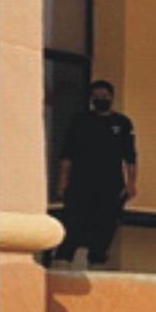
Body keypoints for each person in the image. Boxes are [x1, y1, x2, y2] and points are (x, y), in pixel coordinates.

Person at [53, 79, 137, 267]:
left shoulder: (122, 123)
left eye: (104, 96)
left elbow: (130, 157)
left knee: (105, 227)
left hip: (110, 185)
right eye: (97, 96)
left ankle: (97, 262)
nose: (101, 99)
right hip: (81, 183)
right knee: (72, 224)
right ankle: (62, 262)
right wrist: (62, 182)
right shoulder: (80, 121)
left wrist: (131, 183)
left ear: (112, 97)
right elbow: (67, 154)